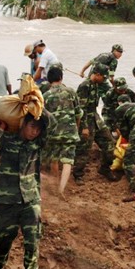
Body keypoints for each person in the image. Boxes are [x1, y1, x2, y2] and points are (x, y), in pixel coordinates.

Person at [0, 112, 50, 269]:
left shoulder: (37, 144)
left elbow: (51, 123)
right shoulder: (7, 140)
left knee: (32, 242)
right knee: (2, 240)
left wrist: (36, 107)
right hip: (7, 201)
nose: (34, 132)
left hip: (30, 200)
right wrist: (1, 128)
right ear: (22, 124)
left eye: (38, 129)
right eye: (31, 127)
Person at [42, 66, 82, 197]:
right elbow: (78, 113)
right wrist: (76, 128)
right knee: (67, 161)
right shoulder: (70, 92)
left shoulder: (45, 96)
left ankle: (54, 184)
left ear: (49, 80)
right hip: (70, 132)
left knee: (54, 159)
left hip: (53, 133)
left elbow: (43, 117)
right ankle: (61, 189)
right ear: (61, 78)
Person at [73, 64, 116, 184]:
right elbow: (81, 109)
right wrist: (84, 127)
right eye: (104, 77)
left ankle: (104, 168)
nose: (105, 80)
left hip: (95, 117)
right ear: (97, 75)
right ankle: (78, 174)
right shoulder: (84, 86)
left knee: (109, 142)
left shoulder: (96, 85)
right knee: (84, 148)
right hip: (86, 119)